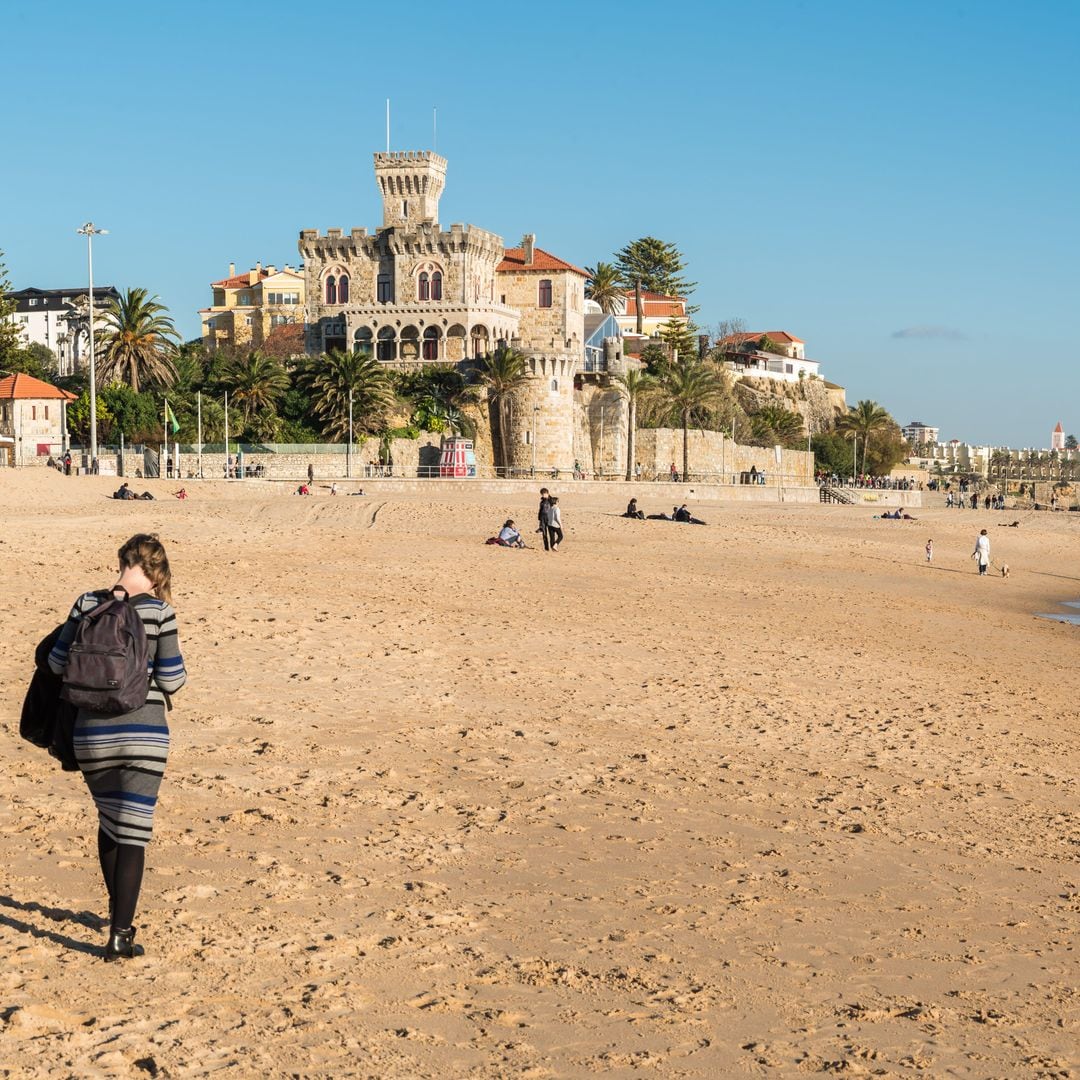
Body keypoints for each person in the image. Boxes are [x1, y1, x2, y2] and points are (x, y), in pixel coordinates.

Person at [48, 533, 187, 961]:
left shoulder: (88, 603)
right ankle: (119, 934)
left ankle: (117, 917)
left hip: (91, 734)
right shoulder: (160, 611)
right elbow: (172, 679)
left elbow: (56, 663)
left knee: (110, 823)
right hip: (143, 733)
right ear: (157, 571)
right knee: (133, 834)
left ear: (122, 561)